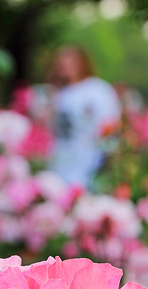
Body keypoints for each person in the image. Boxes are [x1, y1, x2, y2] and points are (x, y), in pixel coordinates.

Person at [47, 46, 121, 188]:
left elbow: (110, 125)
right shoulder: (60, 94)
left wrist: (108, 155)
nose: (65, 68)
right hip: (61, 163)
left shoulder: (97, 89)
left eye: (70, 63)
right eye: (61, 65)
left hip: (91, 163)